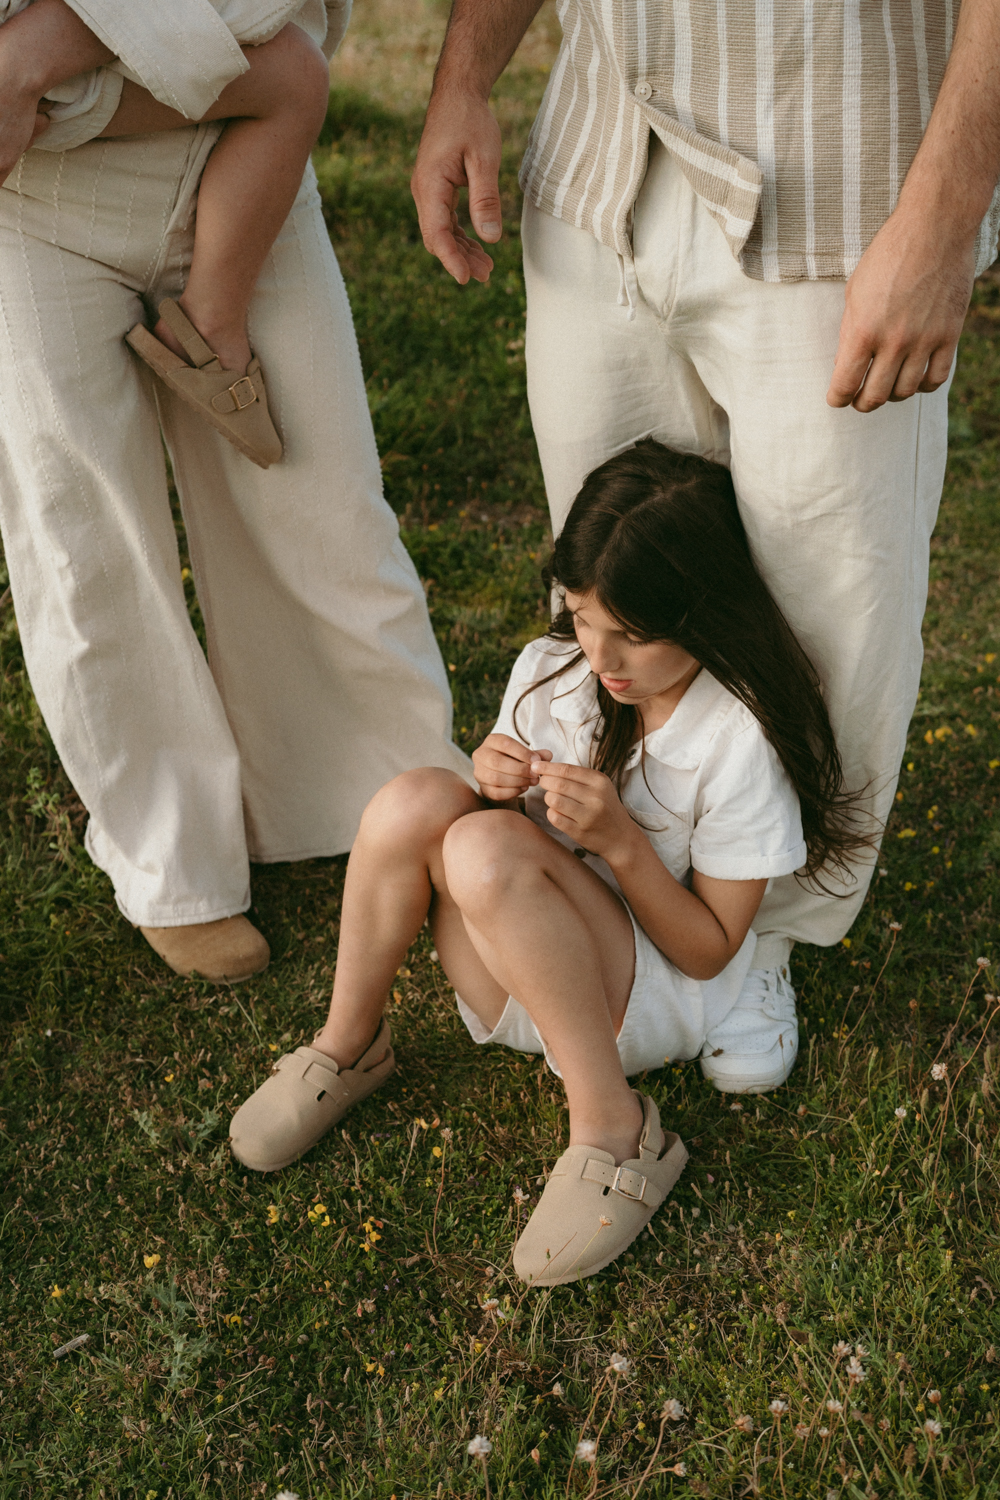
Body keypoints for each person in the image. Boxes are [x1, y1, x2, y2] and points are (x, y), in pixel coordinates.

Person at [409, 0, 1000, 1092]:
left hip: (845, 168)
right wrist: (465, 79)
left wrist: (945, 214)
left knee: (831, 606)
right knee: (628, 578)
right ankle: (619, 901)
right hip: (602, 166)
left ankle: (756, 941)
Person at [229, 441, 869, 1286]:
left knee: (481, 845)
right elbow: (497, 847)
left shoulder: (735, 740)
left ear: (706, 614)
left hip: (639, 1005)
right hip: (530, 975)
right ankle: (348, 1045)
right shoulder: (554, 671)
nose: (602, 662)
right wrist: (492, 781)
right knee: (417, 801)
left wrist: (621, 845)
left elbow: (712, 948)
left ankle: (614, 1128)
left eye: (633, 639)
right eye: (583, 619)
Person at [0, 0, 471, 984]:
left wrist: (53, 54)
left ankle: (394, 804)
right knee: (87, 546)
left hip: (236, 150)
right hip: (28, 208)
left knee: (322, 504)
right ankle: (176, 865)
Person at [1, 2, 332, 466]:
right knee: (296, 78)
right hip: (43, 89)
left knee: (293, 70)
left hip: (39, 64)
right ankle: (211, 322)